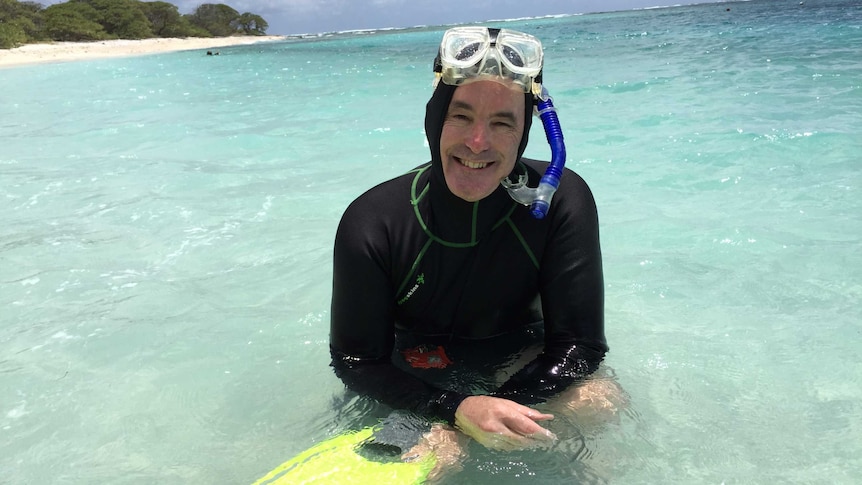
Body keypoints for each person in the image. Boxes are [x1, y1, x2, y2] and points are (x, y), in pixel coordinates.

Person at [330, 26, 609, 452]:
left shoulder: (562, 201)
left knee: (600, 401)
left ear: (525, 132)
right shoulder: (373, 222)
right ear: (435, 119)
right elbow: (358, 362)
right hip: (415, 371)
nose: (477, 142)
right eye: (461, 116)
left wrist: (491, 411)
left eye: (502, 122)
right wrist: (451, 409)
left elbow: (579, 345)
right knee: (429, 455)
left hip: (523, 360)